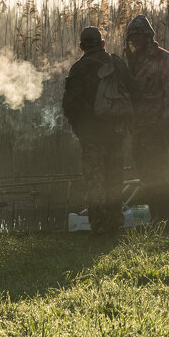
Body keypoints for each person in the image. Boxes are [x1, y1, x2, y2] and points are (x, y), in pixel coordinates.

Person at [62, 26, 135, 235]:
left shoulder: (79, 68)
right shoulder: (117, 64)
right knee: (114, 176)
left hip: (92, 135)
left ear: (81, 46)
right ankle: (115, 222)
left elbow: (69, 105)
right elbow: (134, 92)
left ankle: (100, 226)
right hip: (116, 132)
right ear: (102, 44)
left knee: (95, 179)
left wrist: (80, 129)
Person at [124, 14, 169, 225]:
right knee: (145, 174)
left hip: (157, 126)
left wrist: (166, 122)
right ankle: (157, 217)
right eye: (131, 37)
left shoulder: (161, 58)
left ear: (147, 36)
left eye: (138, 36)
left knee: (156, 171)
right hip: (139, 128)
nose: (134, 40)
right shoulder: (133, 60)